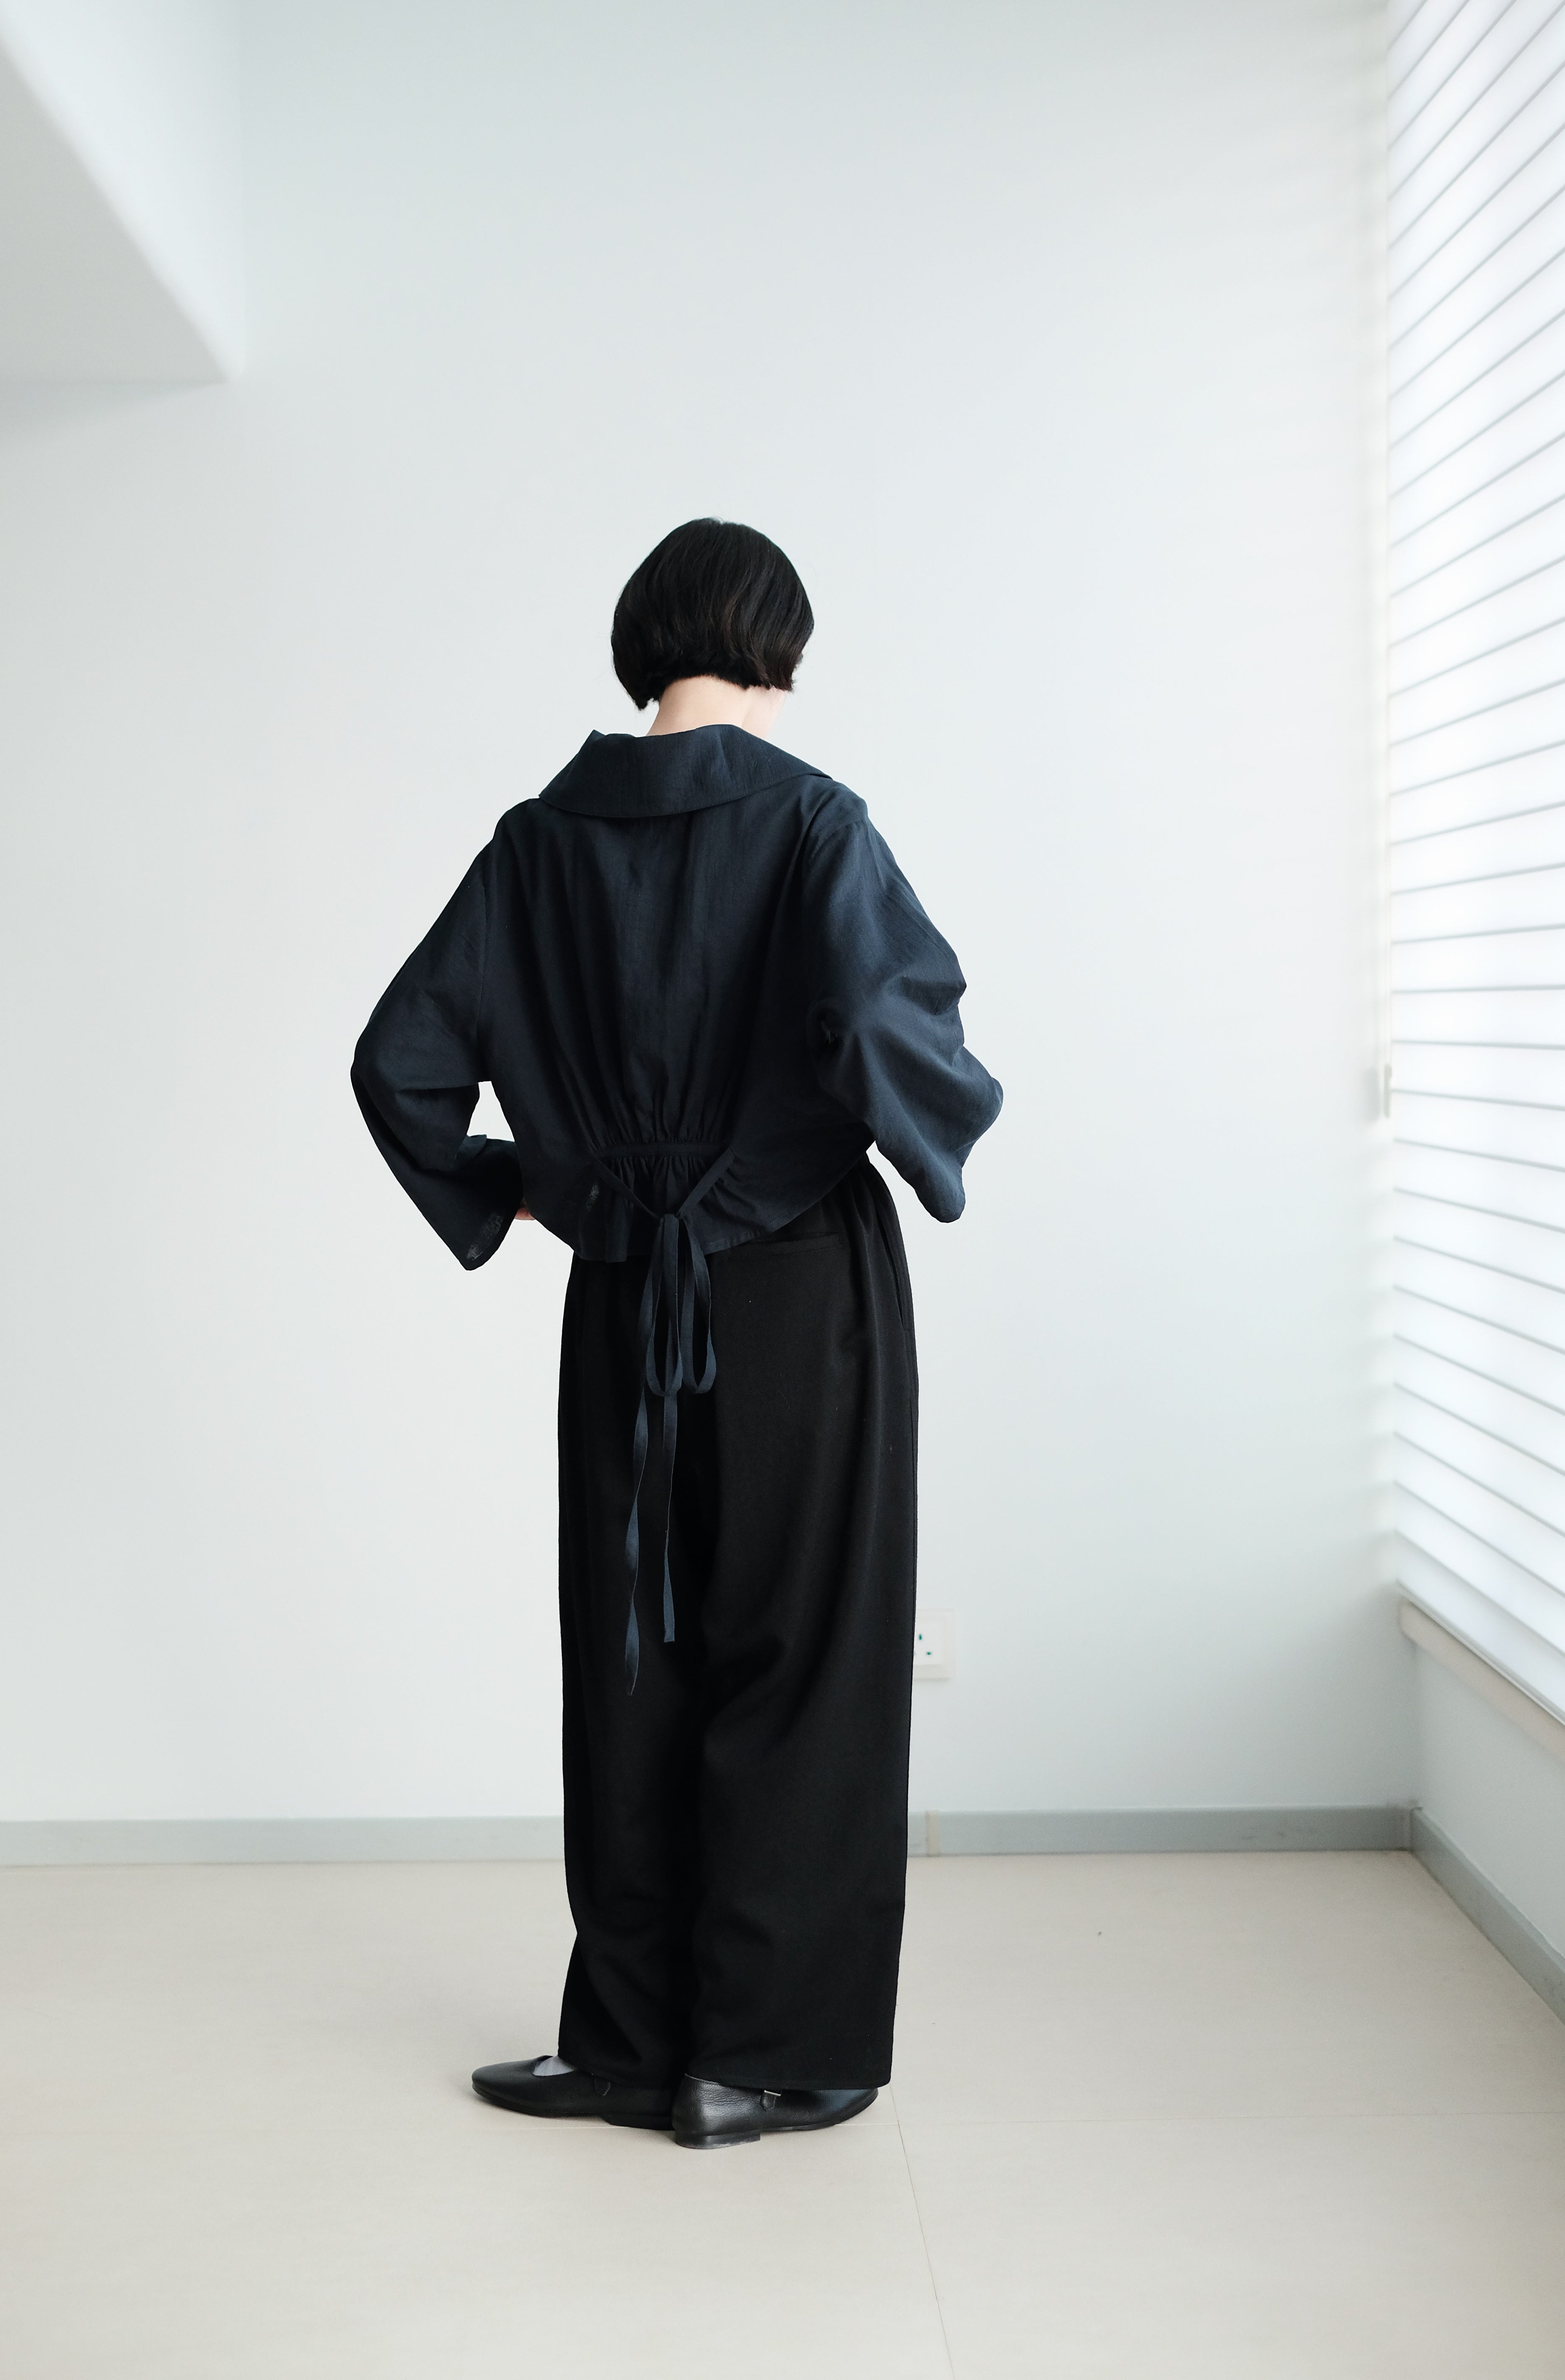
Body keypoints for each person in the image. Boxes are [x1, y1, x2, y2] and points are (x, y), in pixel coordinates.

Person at [352, 518, 1001, 2148]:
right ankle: (755, 2059)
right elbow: (886, 1023)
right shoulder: (814, 821)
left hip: (627, 1285)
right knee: (806, 1653)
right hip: (798, 1280)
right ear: (778, 648)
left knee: (632, 1653)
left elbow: (398, 1063)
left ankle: (631, 2043)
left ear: (647, 644)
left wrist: (538, 1188)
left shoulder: (537, 842)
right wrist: (930, 1130)